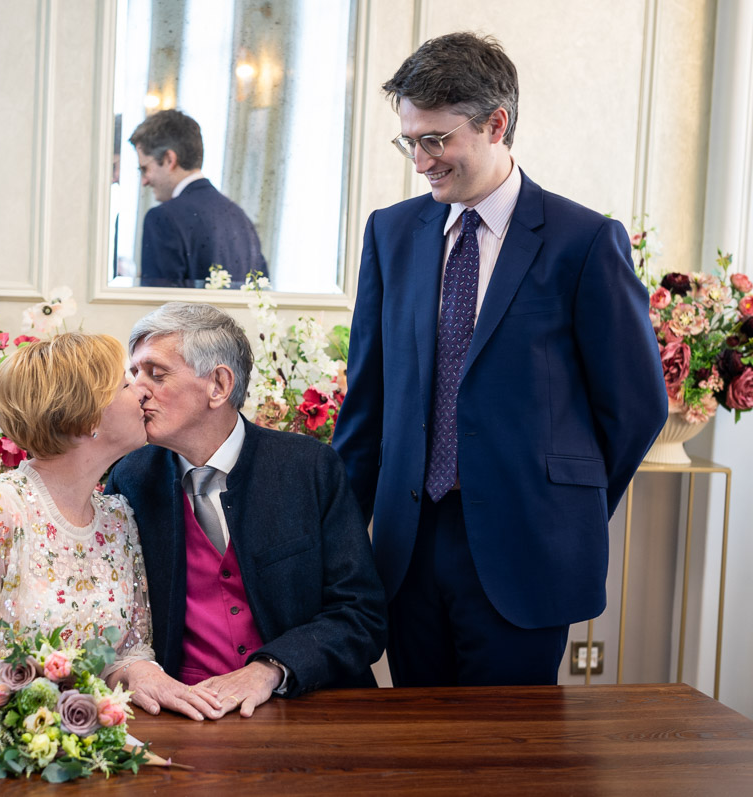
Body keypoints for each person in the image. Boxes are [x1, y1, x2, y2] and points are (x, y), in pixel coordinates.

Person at [331, 32, 667, 687]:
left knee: (513, 761)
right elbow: (367, 403)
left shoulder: (585, 241)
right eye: (410, 140)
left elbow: (634, 408)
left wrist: (563, 503)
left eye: (436, 140)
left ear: (496, 124)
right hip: (407, 547)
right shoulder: (390, 234)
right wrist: (340, 541)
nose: (421, 161)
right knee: (417, 753)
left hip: (526, 551)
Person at [0, 333, 223, 721]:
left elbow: (127, 651)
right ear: (88, 417)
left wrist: (147, 676)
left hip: (92, 740)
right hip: (3, 744)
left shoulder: (117, 520)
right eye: (127, 384)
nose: (143, 393)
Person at [107, 303, 387, 718]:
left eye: (156, 373)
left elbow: (361, 615)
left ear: (218, 385)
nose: (138, 390)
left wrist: (271, 669)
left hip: (306, 707)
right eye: (134, 375)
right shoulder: (129, 476)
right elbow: (115, 616)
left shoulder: (310, 468)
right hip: (180, 713)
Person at [129, 109, 266, 288]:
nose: (144, 181)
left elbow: (160, 310)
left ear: (169, 159)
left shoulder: (162, 219)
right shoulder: (240, 217)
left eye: (144, 168)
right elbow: (260, 295)